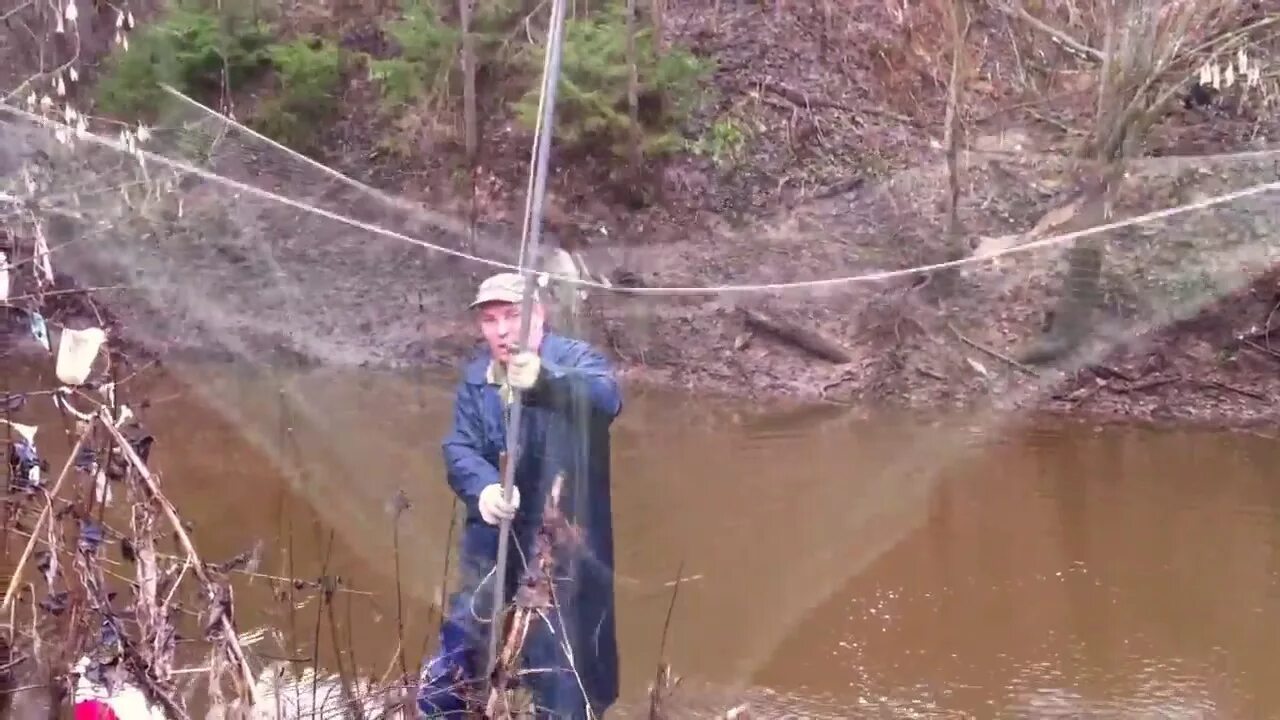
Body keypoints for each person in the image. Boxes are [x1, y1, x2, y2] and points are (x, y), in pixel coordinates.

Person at [418, 271, 622, 719]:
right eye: (490, 320)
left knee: (561, 665)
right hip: (493, 539)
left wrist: (547, 381)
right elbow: (460, 446)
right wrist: (484, 487)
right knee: (458, 652)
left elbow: (605, 399)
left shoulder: (575, 359)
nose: (502, 330)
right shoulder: (477, 379)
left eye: (513, 315)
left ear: (540, 316)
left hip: (561, 543)